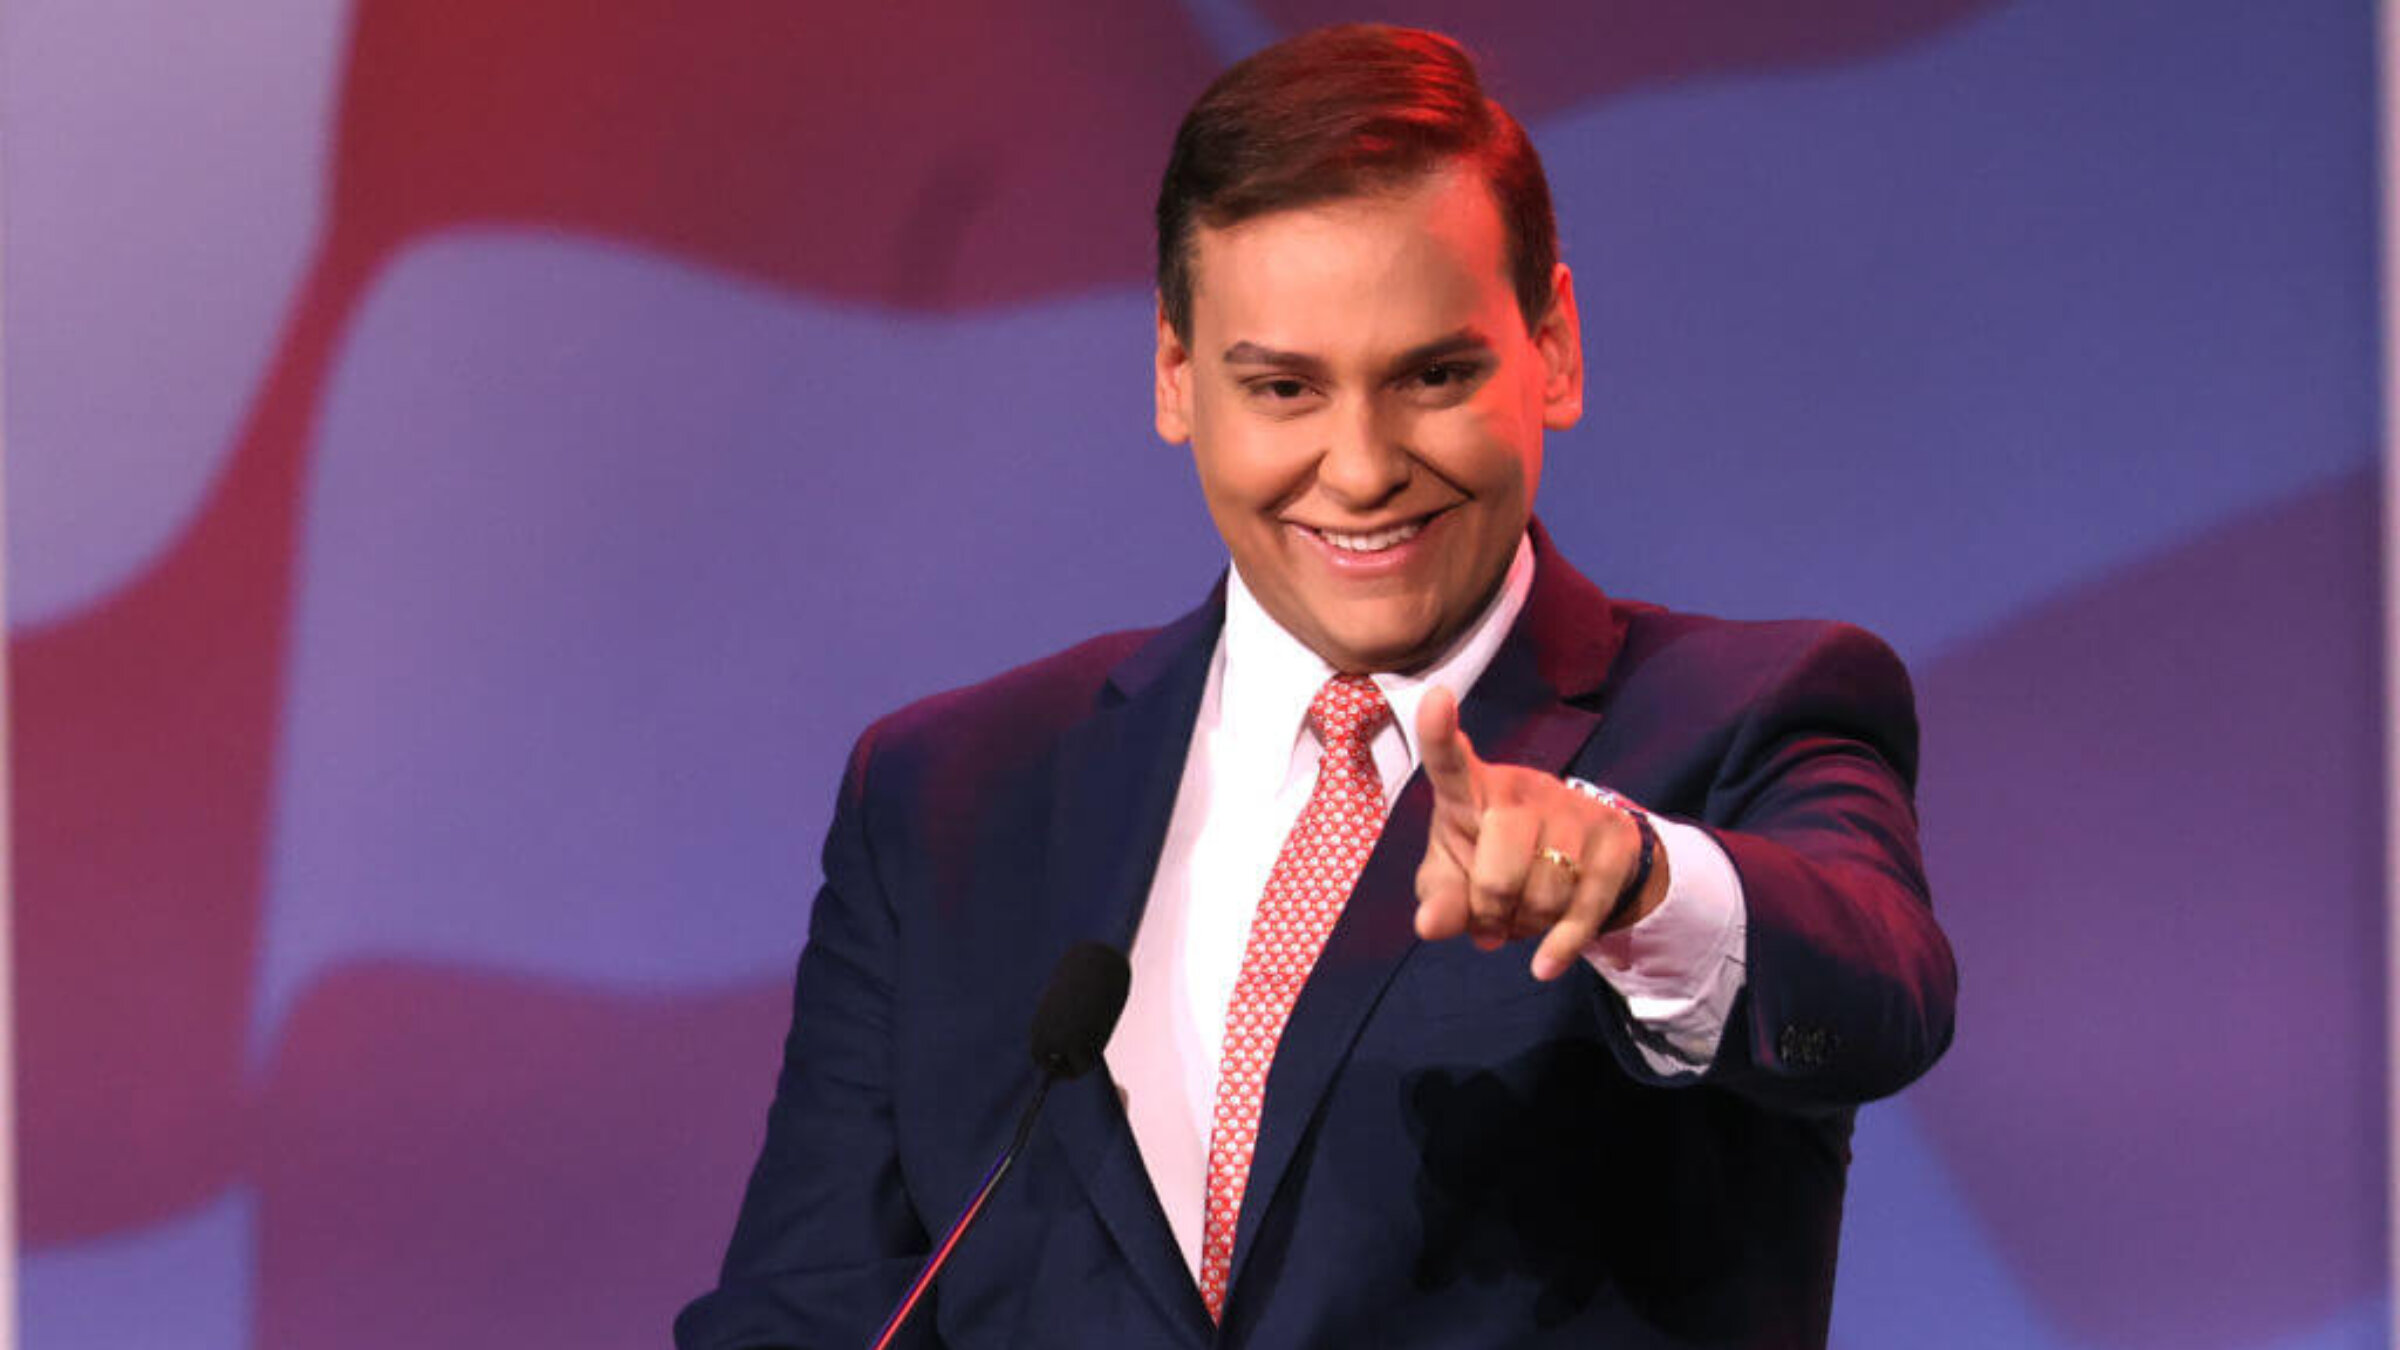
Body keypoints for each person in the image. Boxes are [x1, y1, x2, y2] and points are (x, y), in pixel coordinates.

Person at [676, 23, 1954, 1349]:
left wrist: (1634, 876)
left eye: (1434, 376)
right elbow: (809, 1308)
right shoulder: (947, 795)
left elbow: (1875, 994)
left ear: (1554, 346)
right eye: (1284, 387)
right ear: (1178, 378)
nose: (1359, 466)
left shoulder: (1750, 710)